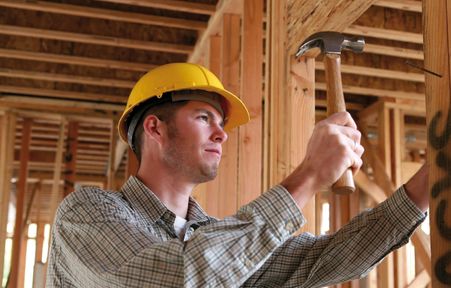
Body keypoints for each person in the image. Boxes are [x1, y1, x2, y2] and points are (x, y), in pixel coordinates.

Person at [46, 63, 428, 287]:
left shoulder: (214, 237)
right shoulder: (87, 214)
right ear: (155, 128)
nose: (221, 133)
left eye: (222, 122)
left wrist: (432, 178)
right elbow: (182, 276)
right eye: (203, 117)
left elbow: (321, 259)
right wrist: (309, 175)